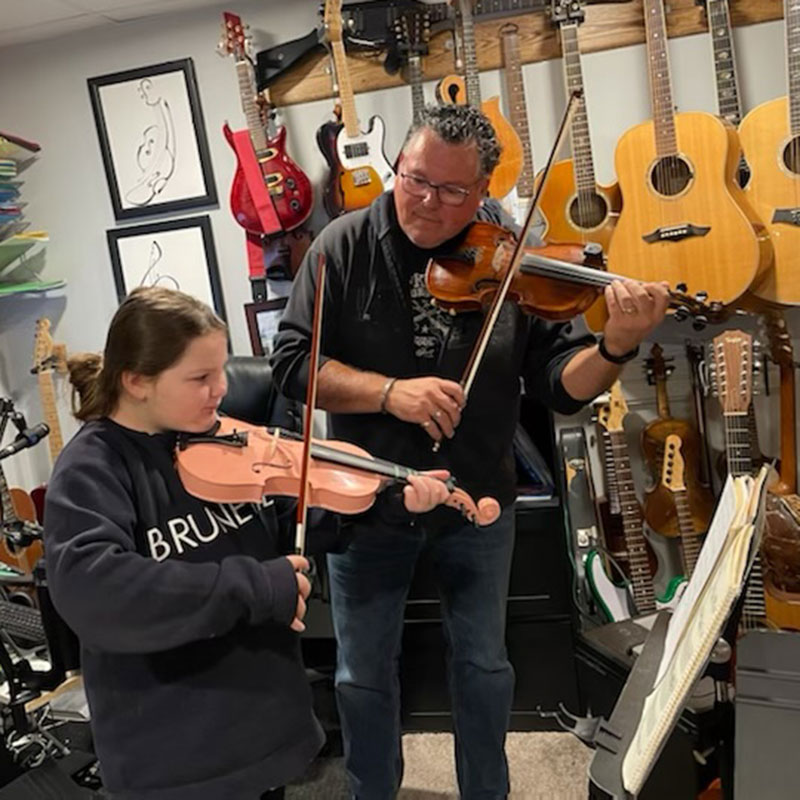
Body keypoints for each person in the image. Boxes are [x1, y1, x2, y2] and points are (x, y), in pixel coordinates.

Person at [270, 104, 670, 799]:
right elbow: (293, 366)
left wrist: (617, 344)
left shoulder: (512, 256)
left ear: (485, 189)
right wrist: (390, 393)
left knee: (484, 667)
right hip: (366, 501)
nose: (426, 201)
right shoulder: (339, 246)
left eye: (453, 191)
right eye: (415, 178)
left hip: (478, 498)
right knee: (362, 672)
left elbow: (561, 385)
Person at [43, 286, 455, 800]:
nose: (220, 389)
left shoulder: (219, 438)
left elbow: (291, 518)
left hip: (261, 724)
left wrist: (386, 504)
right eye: (200, 378)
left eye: (220, 371)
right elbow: (97, 591)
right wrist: (258, 587)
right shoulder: (92, 467)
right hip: (178, 754)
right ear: (136, 380)